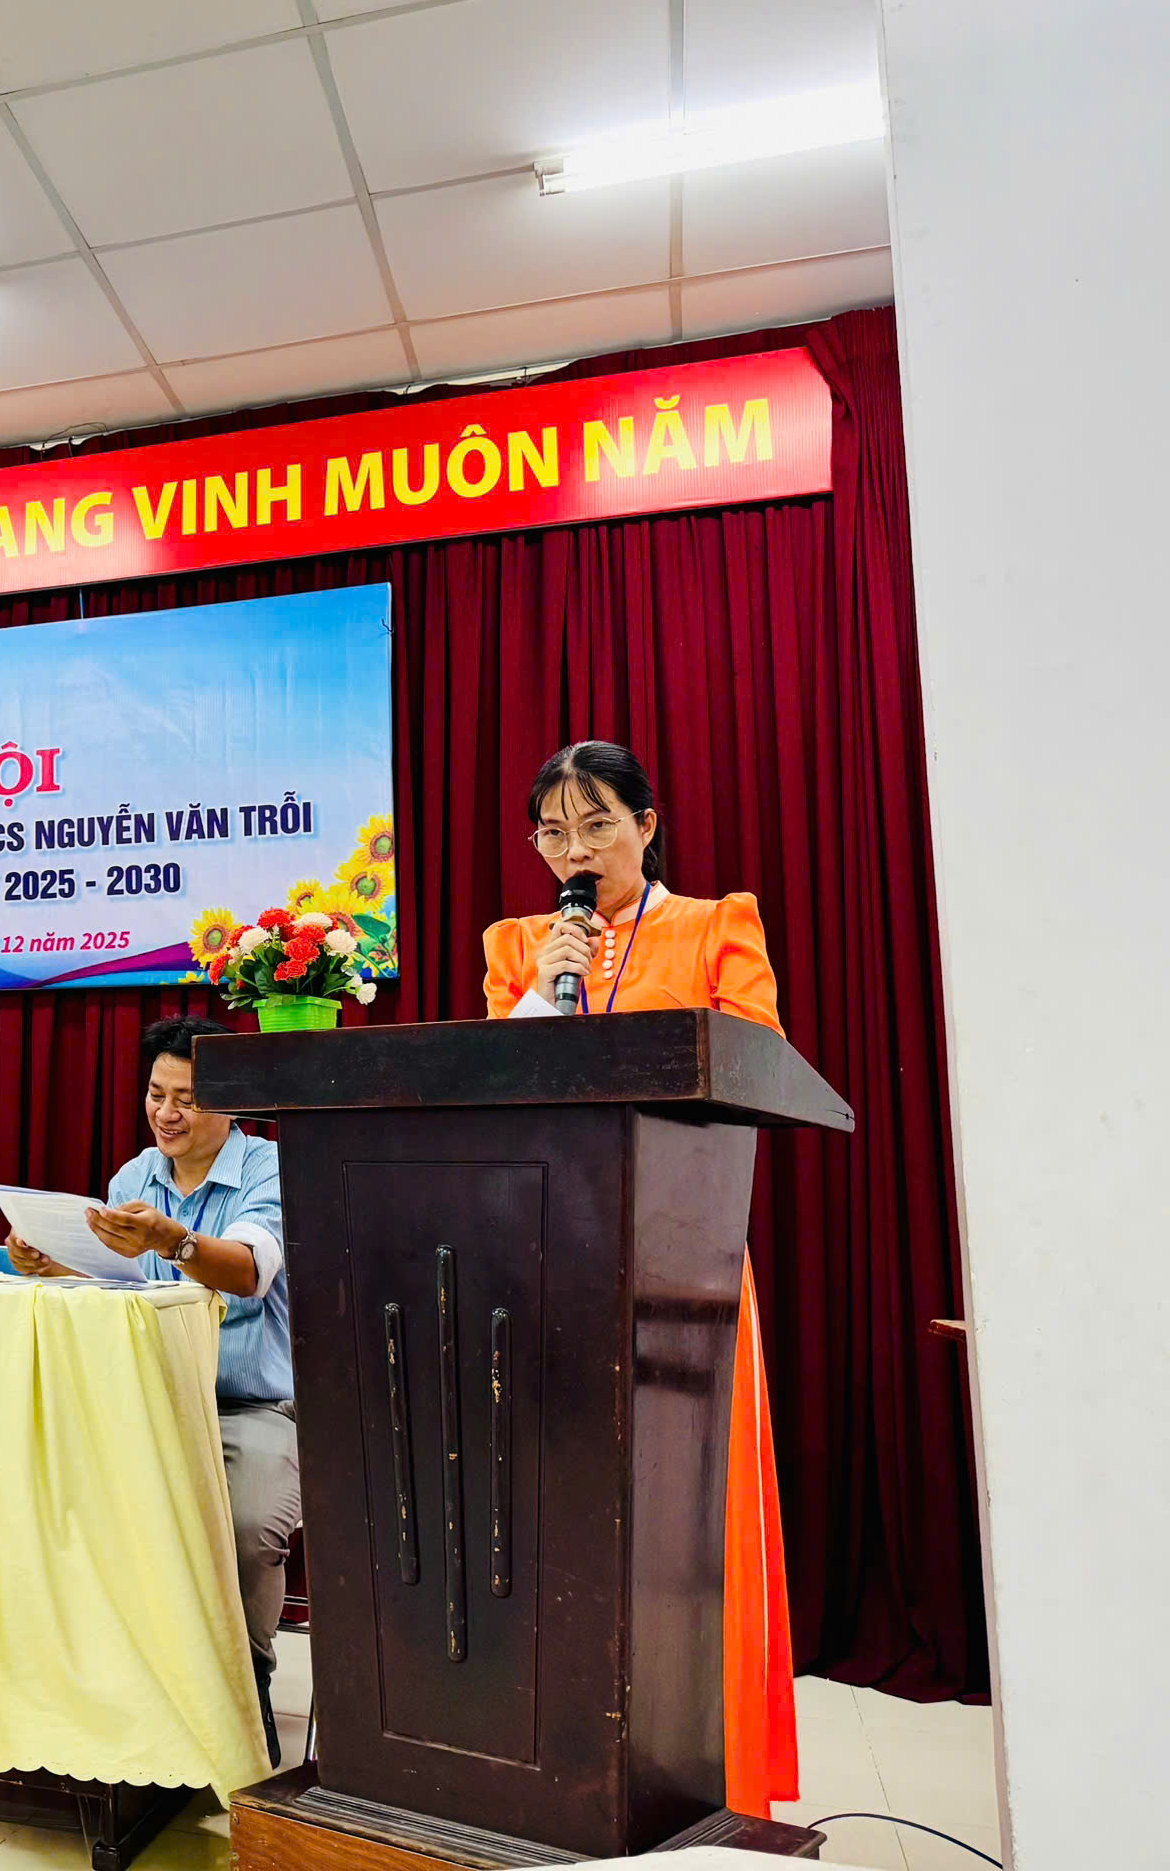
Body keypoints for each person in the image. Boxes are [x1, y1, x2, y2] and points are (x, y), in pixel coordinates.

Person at [481, 738, 796, 1820]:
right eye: (552, 833)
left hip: (682, 1255)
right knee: (558, 1506)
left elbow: (752, 1059)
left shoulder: (717, 924)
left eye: (596, 825)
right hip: (547, 1253)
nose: (573, 852)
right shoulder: (517, 945)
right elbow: (488, 1090)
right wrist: (548, 993)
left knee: (685, 1516)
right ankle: (557, 1765)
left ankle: (698, 1772)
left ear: (646, 825)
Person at [7, 1014, 298, 1767]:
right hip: (152, 1399)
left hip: (250, 1404)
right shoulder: (133, 1179)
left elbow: (250, 1272)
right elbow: (125, 1288)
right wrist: (54, 1263)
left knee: (248, 1526)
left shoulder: (270, 1168)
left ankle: (248, 1685)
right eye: (155, 1094)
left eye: (187, 1100)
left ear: (229, 1102)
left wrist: (173, 1239)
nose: (166, 1114)